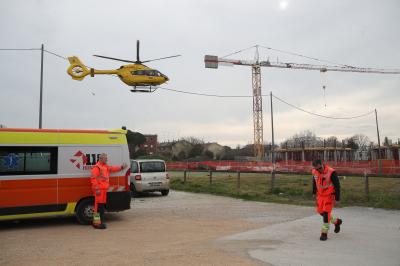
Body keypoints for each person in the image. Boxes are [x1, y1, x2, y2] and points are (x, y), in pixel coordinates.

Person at [91, 153, 127, 229]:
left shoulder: (105, 166)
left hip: (103, 190)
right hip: (99, 190)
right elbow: (93, 179)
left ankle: (97, 223)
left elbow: (113, 169)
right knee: (98, 207)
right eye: (105, 158)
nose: (107, 159)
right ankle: (97, 224)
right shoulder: (97, 167)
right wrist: (97, 189)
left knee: (100, 207)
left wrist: (121, 167)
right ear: (101, 159)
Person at [311, 159, 342, 241]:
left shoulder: (331, 172)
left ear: (322, 164)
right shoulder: (314, 172)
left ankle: (324, 233)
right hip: (320, 196)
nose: (318, 170)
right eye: (316, 169)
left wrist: (337, 198)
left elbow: (337, 186)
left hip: (329, 195)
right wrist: (314, 193)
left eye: (319, 168)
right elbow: (314, 182)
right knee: (320, 211)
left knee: (326, 213)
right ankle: (336, 222)